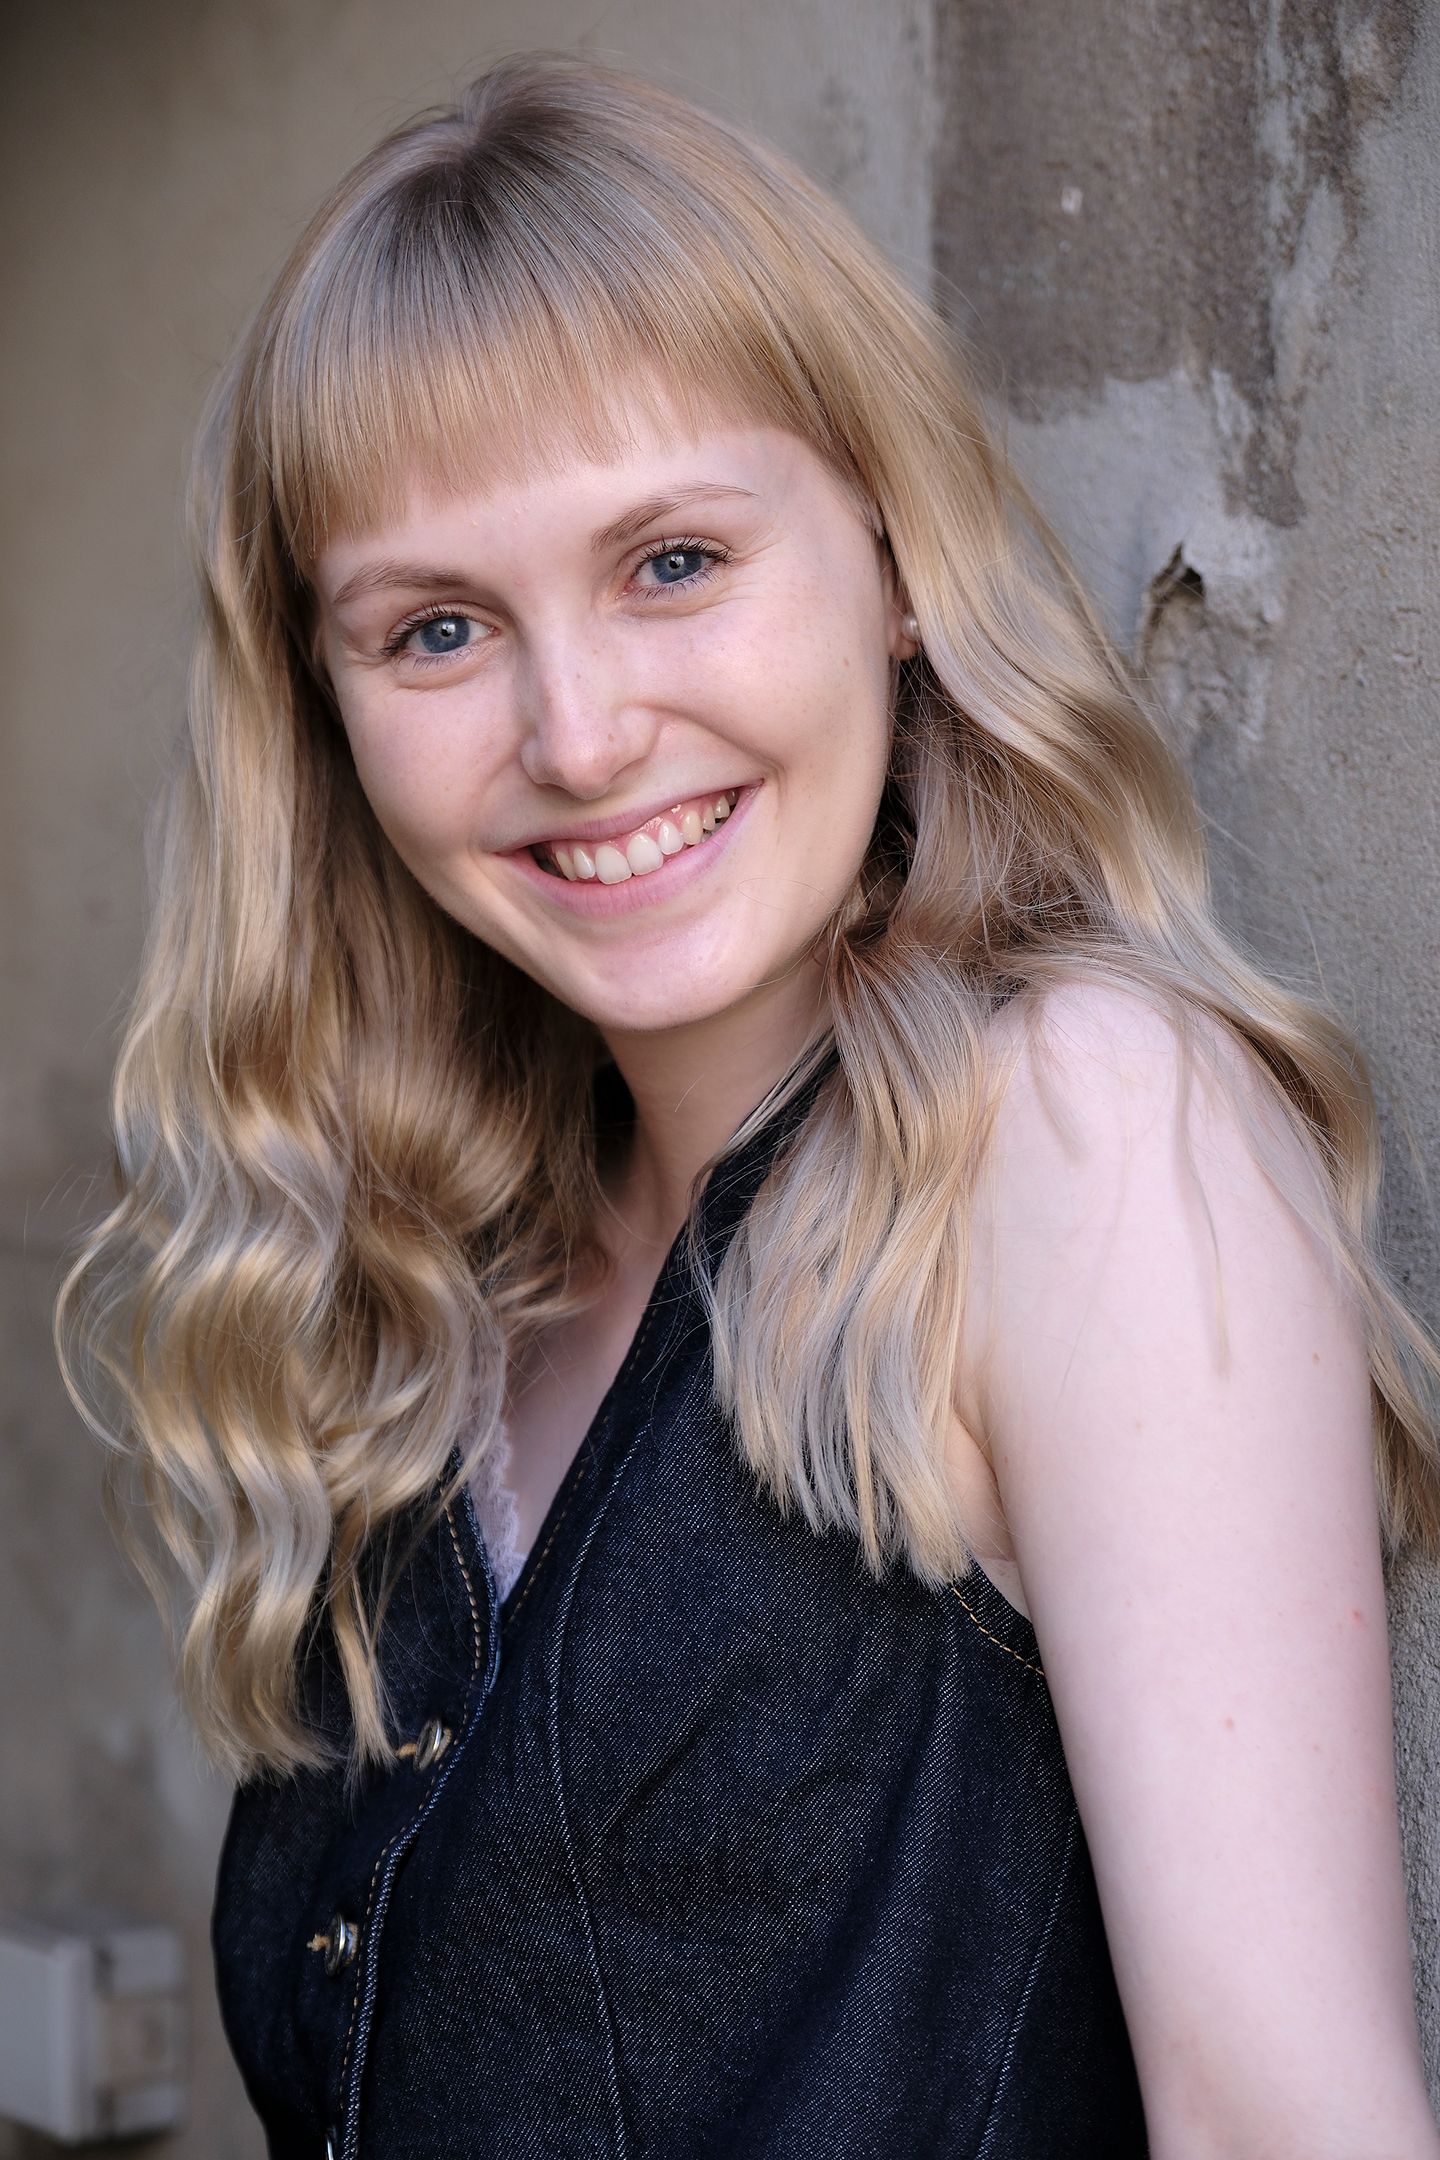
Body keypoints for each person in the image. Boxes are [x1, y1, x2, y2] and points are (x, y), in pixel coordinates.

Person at [56, 49, 1440, 2160]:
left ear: (896, 557)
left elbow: (1284, 2125)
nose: (580, 733)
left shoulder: (1079, 1132)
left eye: (675, 561)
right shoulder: (468, 1277)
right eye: (438, 628)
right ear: (329, 718)